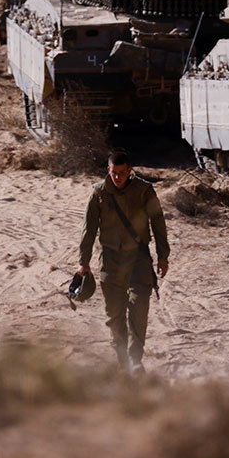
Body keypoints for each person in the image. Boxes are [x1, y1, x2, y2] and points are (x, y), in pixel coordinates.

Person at [76, 150, 169, 372]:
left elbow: (158, 223)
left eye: (121, 173)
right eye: (113, 173)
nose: (117, 177)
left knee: (139, 306)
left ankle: (135, 359)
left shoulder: (144, 191)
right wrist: (84, 262)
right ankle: (122, 361)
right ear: (108, 171)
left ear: (129, 171)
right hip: (110, 259)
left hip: (138, 257)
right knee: (115, 314)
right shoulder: (99, 193)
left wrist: (163, 255)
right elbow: (88, 230)